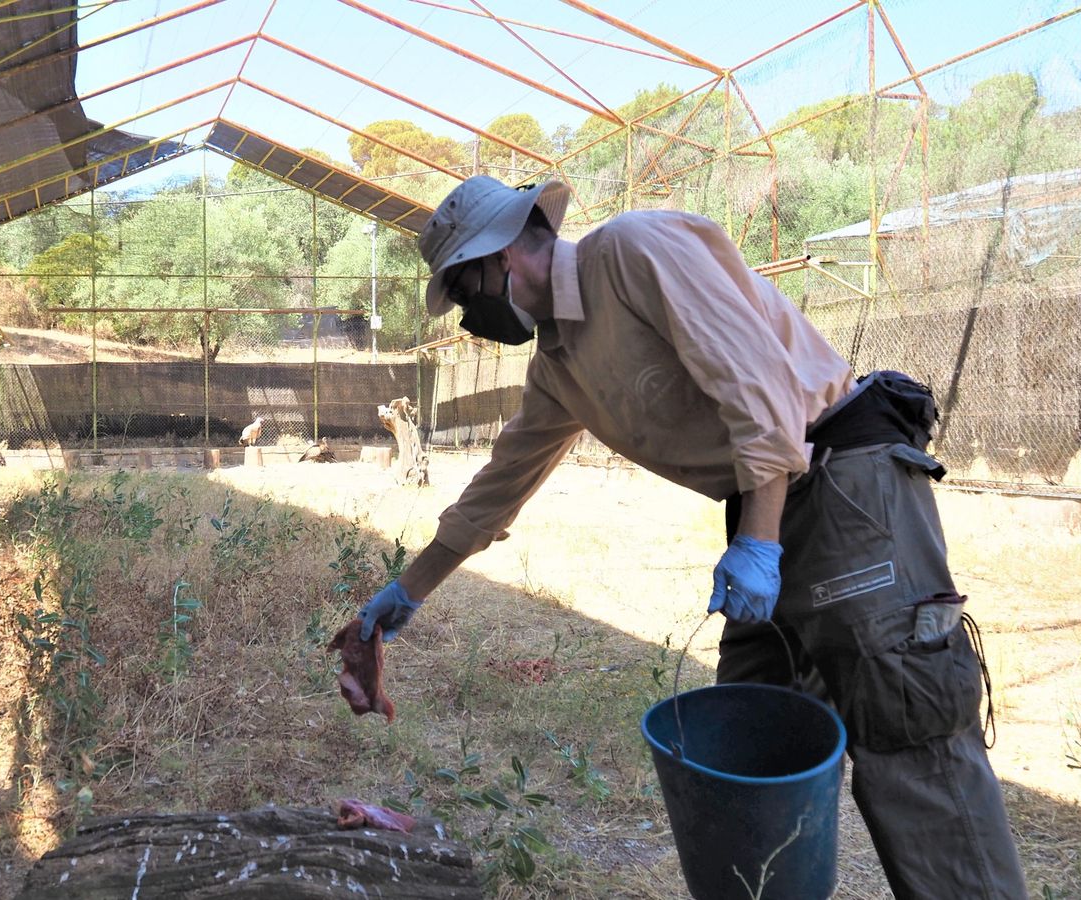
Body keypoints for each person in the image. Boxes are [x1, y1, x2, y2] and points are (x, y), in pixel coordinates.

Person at [358, 175, 1026, 899]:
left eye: (463, 289)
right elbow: (500, 486)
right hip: (766, 507)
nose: (466, 312)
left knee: (909, 731)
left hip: (845, 487)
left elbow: (760, 386)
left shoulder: (633, 251)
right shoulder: (559, 366)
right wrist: (402, 595)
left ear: (506, 253)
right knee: (746, 745)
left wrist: (761, 546)